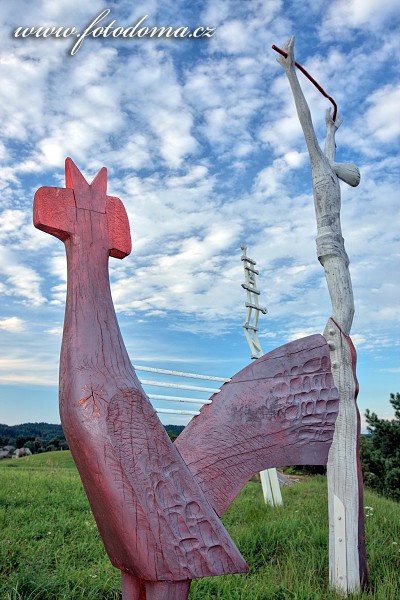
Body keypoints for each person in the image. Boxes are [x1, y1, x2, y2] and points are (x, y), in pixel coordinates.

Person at [276, 36, 360, 335]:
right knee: (345, 310)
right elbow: (305, 122)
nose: (351, 180)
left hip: (340, 245)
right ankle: (329, 354)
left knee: (348, 310)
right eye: (353, 175)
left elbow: (328, 147)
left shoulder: (331, 169)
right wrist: (291, 74)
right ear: (344, 172)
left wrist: (331, 130)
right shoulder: (321, 168)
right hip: (328, 241)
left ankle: (335, 354)